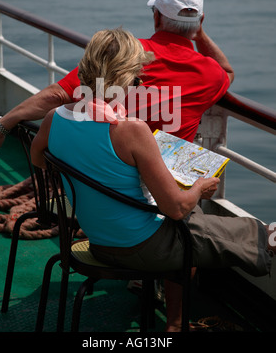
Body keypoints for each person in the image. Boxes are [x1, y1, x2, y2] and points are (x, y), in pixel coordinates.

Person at [30, 28, 272, 333]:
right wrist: (201, 186)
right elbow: (176, 208)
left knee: (203, 225)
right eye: (137, 75)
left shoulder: (55, 118)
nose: (139, 81)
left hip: (97, 238)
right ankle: (177, 323)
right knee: (218, 226)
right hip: (140, 247)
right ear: (127, 76)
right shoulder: (130, 130)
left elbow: (39, 160)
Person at [0, 0, 234, 166]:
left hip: (102, 172)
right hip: (160, 187)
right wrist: (198, 32)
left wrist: (2, 126)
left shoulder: (123, 53)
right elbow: (227, 71)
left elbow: (56, 96)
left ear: (157, 18)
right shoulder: (210, 74)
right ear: (201, 21)